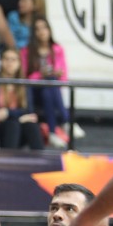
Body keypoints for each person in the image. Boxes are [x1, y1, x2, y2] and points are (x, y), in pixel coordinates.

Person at [22, 16, 77, 149]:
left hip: (51, 91)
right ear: (33, 33)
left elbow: (63, 78)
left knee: (49, 86)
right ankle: (65, 121)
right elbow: (24, 79)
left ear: (49, 30)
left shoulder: (57, 49)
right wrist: (41, 74)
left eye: (44, 28)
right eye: (38, 29)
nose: (42, 32)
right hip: (34, 93)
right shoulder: (26, 51)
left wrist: (56, 74)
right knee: (49, 82)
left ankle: (52, 132)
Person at [0, 48, 44, 150]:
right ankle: (9, 158)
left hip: (19, 125)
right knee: (13, 124)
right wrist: (18, 118)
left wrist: (8, 112)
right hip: (0, 127)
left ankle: (41, 158)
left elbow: (29, 110)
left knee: (31, 125)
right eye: (6, 59)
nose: (9, 63)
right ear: (1, 61)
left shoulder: (24, 83)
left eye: (13, 60)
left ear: (19, 63)